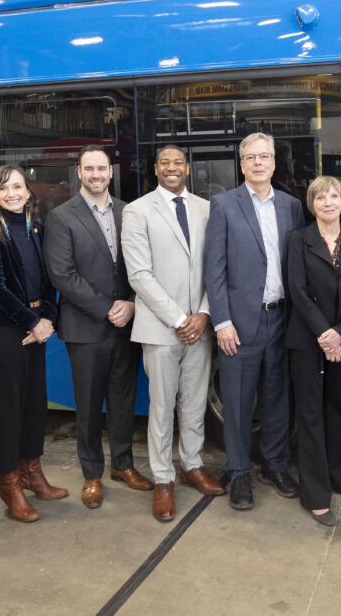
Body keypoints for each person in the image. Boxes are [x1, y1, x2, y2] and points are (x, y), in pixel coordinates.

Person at [121, 145, 225, 523]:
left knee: (196, 402)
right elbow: (139, 275)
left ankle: (192, 466)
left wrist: (204, 314)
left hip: (201, 325)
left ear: (187, 168)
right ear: (155, 169)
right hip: (163, 328)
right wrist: (181, 319)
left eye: (178, 162)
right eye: (164, 163)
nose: (171, 168)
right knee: (163, 407)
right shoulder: (137, 210)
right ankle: (163, 478)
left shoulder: (206, 208)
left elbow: (218, 265)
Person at [44, 145, 151, 508]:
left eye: (101, 168)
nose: (95, 174)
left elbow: (142, 265)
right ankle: (92, 475)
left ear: (110, 172)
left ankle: (123, 465)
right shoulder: (61, 216)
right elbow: (62, 274)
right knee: (89, 406)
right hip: (86, 328)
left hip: (127, 325)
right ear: (79, 173)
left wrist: (133, 305)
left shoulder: (128, 211)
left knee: (122, 402)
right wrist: (108, 309)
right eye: (88, 168)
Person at [204, 132, 306, 510]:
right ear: (242, 164)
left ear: (274, 163)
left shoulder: (293, 207)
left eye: (265, 156)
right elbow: (213, 271)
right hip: (240, 324)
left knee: (279, 400)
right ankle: (240, 472)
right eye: (251, 157)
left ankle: (275, 466)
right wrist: (222, 322)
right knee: (238, 401)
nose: (259, 163)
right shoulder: (224, 205)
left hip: (281, 319)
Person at [0, 165, 66, 524]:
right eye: (3, 188)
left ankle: (32, 473)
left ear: (29, 191)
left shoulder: (36, 228)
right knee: (8, 411)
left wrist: (48, 318)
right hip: (6, 332)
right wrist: (33, 323)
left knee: (34, 405)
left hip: (37, 328)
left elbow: (47, 283)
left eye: (17, 187)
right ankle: (9, 484)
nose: (11, 193)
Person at [285, 176, 341, 527]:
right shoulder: (298, 240)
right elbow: (298, 292)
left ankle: (339, 477)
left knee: (336, 408)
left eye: (334, 196)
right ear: (312, 203)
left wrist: (340, 334)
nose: (328, 202)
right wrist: (325, 334)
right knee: (310, 414)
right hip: (307, 341)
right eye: (321, 197)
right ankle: (315, 494)